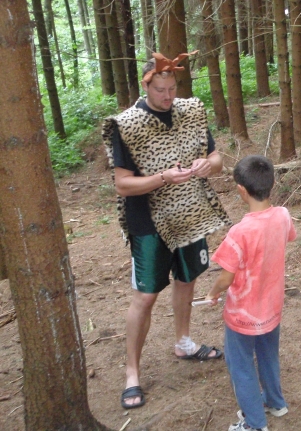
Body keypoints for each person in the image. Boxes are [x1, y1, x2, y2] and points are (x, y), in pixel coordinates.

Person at [102, 52, 232, 409]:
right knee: (145, 296)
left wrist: (207, 165)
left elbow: (217, 159)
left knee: (187, 278)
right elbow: (123, 184)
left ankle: (184, 342)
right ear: (146, 86)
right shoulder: (128, 125)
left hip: (189, 211)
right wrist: (163, 177)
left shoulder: (189, 113)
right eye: (160, 90)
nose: (167, 96)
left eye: (172, 88)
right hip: (147, 221)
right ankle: (132, 373)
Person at [206, 155, 297, 431]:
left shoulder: (240, 232)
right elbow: (287, 237)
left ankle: (255, 424)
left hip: (243, 316)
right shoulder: (283, 216)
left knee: (241, 366)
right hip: (272, 308)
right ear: (272, 183)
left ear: (241, 190)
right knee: (269, 356)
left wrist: (213, 293)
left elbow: (226, 277)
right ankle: (275, 403)